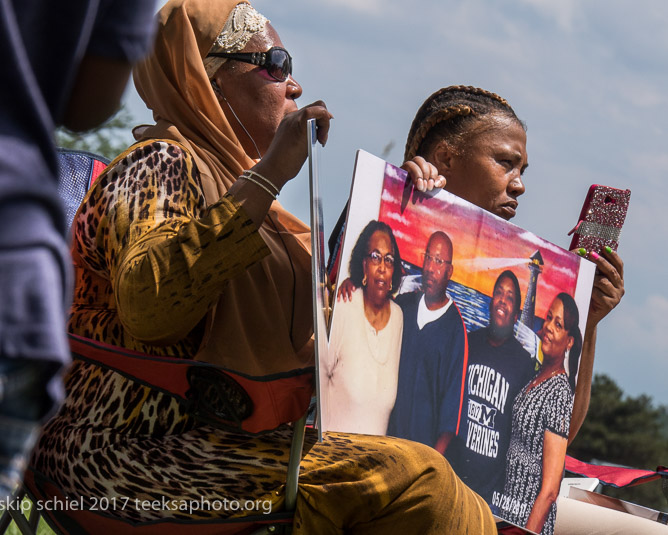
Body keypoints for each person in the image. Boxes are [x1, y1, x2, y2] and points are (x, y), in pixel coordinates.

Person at [30, 2, 496, 533]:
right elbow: (151, 307)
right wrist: (271, 172)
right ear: (207, 80)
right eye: (274, 64)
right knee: (422, 485)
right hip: (122, 451)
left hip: (226, 440)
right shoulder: (157, 163)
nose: (294, 85)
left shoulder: (262, 210)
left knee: (460, 494)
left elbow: (339, 330)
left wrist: (411, 208)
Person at [330, 85, 624, 444]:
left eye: (522, 170)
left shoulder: (513, 338)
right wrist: (394, 197)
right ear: (446, 159)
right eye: (505, 163)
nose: (519, 186)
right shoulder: (384, 237)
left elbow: (557, 435)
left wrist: (589, 323)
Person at [0, 1, 155, 531]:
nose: (292, 82)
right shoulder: (162, 174)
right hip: (9, 292)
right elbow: (89, 100)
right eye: (272, 63)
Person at [494, 293, 581, 535]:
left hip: (529, 523)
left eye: (559, 324)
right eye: (549, 318)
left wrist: (527, 531)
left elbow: (551, 489)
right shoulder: (535, 377)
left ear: (570, 341)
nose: (549, 327)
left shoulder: (561, 392)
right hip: (508, 512)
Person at [447, 270, 537, 503]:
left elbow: (523, 434)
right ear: (490, 301)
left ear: (517, 314)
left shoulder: (524, 364)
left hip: (489, 494)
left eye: (510, 297)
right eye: (499, 293)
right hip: (451, 477)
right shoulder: (469, 343)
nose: (502, 300)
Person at [385, 231, 468, 454]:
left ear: (449, 271)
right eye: (428, 258)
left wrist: (428, 468)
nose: (430, 267)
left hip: (418, 457)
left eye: (439, 261)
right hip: (383, 443)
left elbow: (451, 421)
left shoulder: (455, 330)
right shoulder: (403, 306)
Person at [323, 220, 403, 434]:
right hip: (331, 457)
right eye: (375, 257)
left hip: (372, 462)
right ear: (364, 264)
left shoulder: (398, 317)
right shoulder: (345, 304)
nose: (383, 267)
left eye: (389, 259)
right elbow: (316, 382)